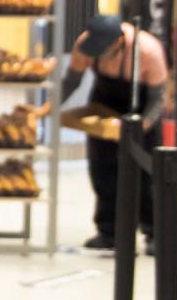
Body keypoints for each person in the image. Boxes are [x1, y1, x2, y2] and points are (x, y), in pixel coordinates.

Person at [62, 14, 169, 253]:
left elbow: (157, 98)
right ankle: (109, 232)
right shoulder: (85, 44)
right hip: (104, 104)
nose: (98, 53)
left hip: (141, 108)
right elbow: (72, 81)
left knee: (146, 176)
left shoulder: (148, 51)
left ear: (119, 40)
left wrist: (141, 126)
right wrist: (50, 106)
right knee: (102, 171)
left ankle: (154, 234)